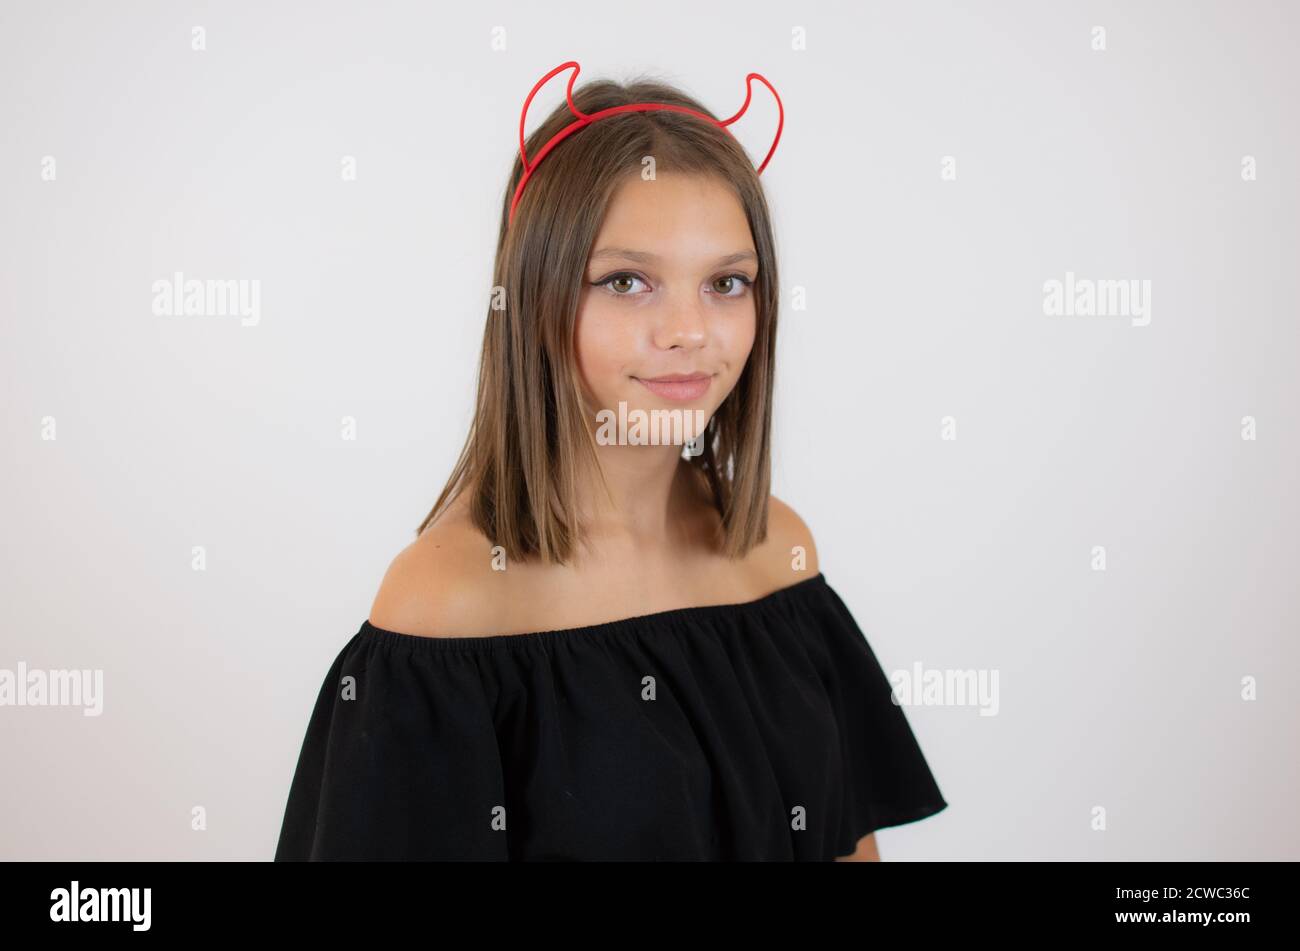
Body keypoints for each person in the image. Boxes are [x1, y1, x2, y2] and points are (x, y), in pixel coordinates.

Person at [274, 61, 947, 861]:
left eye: (727, 282)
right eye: (627, 281)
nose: (688, 329)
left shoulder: (776, 553)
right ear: (537, 296)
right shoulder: (447, 604)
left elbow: (849, 848)